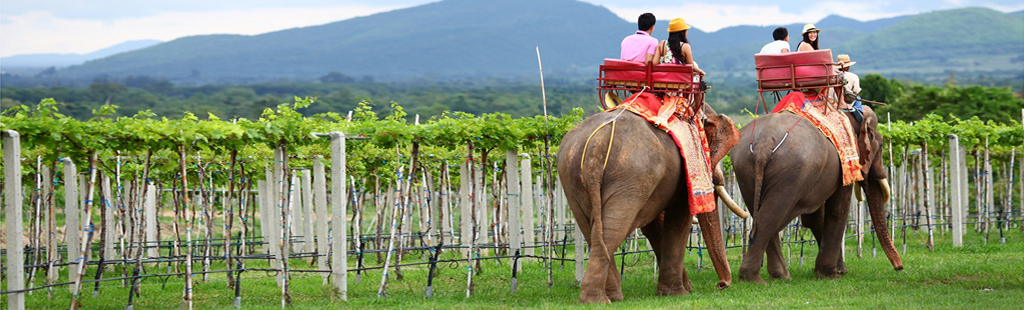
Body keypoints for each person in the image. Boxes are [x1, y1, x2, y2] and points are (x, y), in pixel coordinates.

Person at [835, 54, 862, 118]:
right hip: (845, 103)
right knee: (859, 98)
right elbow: (856, 93)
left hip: (832, 101)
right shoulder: (854, 76)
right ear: (847, 67)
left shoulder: (831, 75)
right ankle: (860, 113)